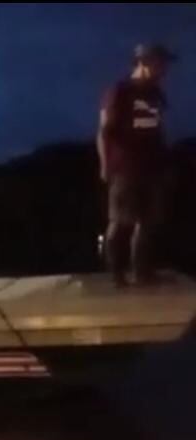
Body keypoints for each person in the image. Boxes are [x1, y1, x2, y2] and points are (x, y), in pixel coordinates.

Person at [97, 43, 177, 287]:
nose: (163, 69)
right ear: (143, 63)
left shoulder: (155, 93)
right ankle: (116, 274)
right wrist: (105, 165)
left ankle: (142, 272)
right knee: (121, 221)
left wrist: (164, 161)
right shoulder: (120, 91)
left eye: (164, 64)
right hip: (125, 167)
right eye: (159, 63)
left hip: (152, 167)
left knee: (148, 222)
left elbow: (156, 128)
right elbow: (104, 131)